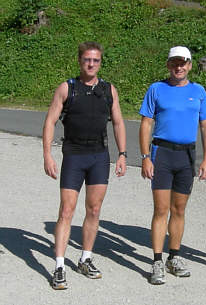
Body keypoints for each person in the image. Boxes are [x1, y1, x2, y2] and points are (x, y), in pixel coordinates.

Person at [43, 41, 127, 290]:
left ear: (100, 62)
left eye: (96, 60)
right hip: (74, 154)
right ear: (80, 61)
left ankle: (85, 259)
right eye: (87, 60)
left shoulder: (108, 89)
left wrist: (122, 154)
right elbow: (50, 122)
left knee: (93, 210)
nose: (91, 64)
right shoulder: (67, 88)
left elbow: (119, 123)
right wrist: (47, 154)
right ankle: (59, 266)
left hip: (98, 156)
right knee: (66, 211)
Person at [139, 46, 206, 285]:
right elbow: (146, 123)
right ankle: (157, 261)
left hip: (186, 157)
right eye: (174, 63)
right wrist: (145, 157)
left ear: (190, 65)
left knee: (179, 210)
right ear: (168, 65)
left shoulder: (198, 91)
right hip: (162, 154)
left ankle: (175, 257)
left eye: (183, 63)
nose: (179, 67)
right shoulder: (156, 89)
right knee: (161, 209)